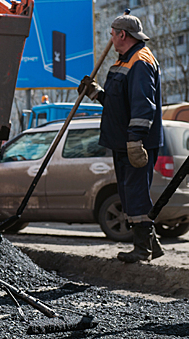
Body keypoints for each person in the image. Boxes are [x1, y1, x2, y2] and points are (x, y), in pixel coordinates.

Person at [78, 14, 164, 263]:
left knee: (135, 193)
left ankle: (142, 250)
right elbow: (117, 103)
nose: (111, 39)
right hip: (122, 141)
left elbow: (143, 106)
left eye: (112, 34)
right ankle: (152, 245)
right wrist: (94, 92)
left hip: (135, 144)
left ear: (122, 35)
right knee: (129, 194)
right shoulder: (123, 62)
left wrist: (136, 140)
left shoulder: (141, 62)